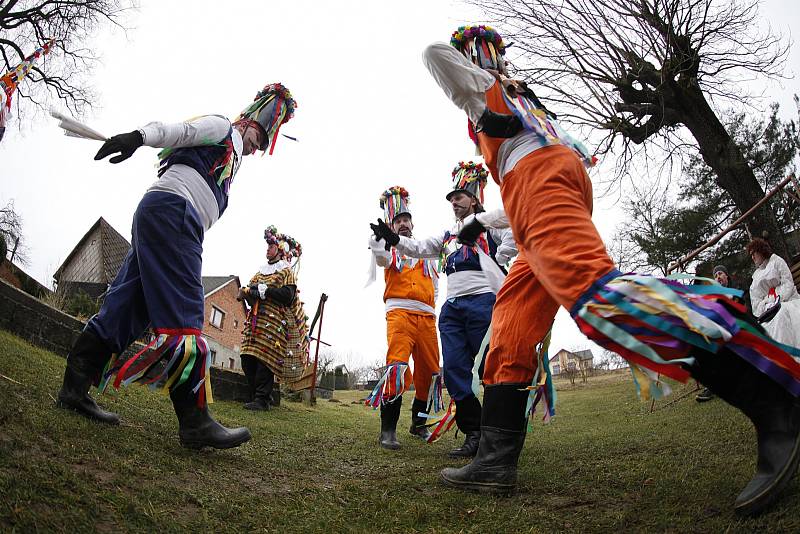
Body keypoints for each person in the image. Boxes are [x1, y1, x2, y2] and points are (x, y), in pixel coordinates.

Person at [422, 24, 800, 516]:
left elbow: (433, 54)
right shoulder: (526, 109)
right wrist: (479, 217)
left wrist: (480, 91)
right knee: (509, 328)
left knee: (600, 300)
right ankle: (495, 458)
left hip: (540, 186)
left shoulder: (491, 90)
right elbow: (531, 183)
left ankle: (776, 405)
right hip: (537, 195)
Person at [56, 83, 297, 450]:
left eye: (265, 143)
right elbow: (180, 131)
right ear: (248, 119)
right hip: (173, 216)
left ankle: (74, 388)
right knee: (186, 310)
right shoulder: (221, 128)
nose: (258, 145)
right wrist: (138, 137)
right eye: (259, 134)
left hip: (163, 216)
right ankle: (194, 420)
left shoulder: (231, 164)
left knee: (127, 307)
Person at [371, 162, 517, 459]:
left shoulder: (490, 222)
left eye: (459, 197)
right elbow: (419, 247)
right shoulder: (449, 234)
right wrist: (394, 239)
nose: (453, 202)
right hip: (452, 308)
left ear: (474, 199)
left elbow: (515, 229)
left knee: (491, 367)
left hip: (483, 302)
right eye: (451, 198)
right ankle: (473, 434)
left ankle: (497, 433)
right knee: (452, 371)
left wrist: (501, 258)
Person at [366, 186, 441, 449]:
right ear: (392, 226)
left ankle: (418, 423)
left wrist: (433, 307)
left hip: (428, 319)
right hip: (400, 315)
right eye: (398, 221)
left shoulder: (426, 250)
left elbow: (436, 284)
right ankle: (388, 430)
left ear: (412, 222)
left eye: (406, 220)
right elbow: (382, 259)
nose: (403, 224)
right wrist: (378, 240)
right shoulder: (389, 248)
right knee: (397, 368)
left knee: (430, 373)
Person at [239, 226, 307, 412]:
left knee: (264, 360)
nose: (267, 249)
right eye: (267, 246)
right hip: (255, 321)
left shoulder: (286, 271)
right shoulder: (260, 271)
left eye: (270, 246)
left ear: (280, 249)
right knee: (246, 356)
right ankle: (254, 395)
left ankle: (262, 399)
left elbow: (288, 295)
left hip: (274, 323)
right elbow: (252, 287)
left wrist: (266, 291)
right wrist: (247, 292)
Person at [697, 264, 747, 402]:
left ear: (726, 276)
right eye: (715, 275)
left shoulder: (735, 292)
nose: (718, 277)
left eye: (720, 274)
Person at [748, 238, 800, 349]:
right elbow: (756, 303)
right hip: (769, 310)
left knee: (782, 316)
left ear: (761, 250)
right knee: (764, 329)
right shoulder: (756, 276)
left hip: (788, 300)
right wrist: (768, 302)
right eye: (750, 255)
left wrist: (775, 296)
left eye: (754, 253)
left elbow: (788, 283)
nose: (752, 257)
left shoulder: (776, 261)